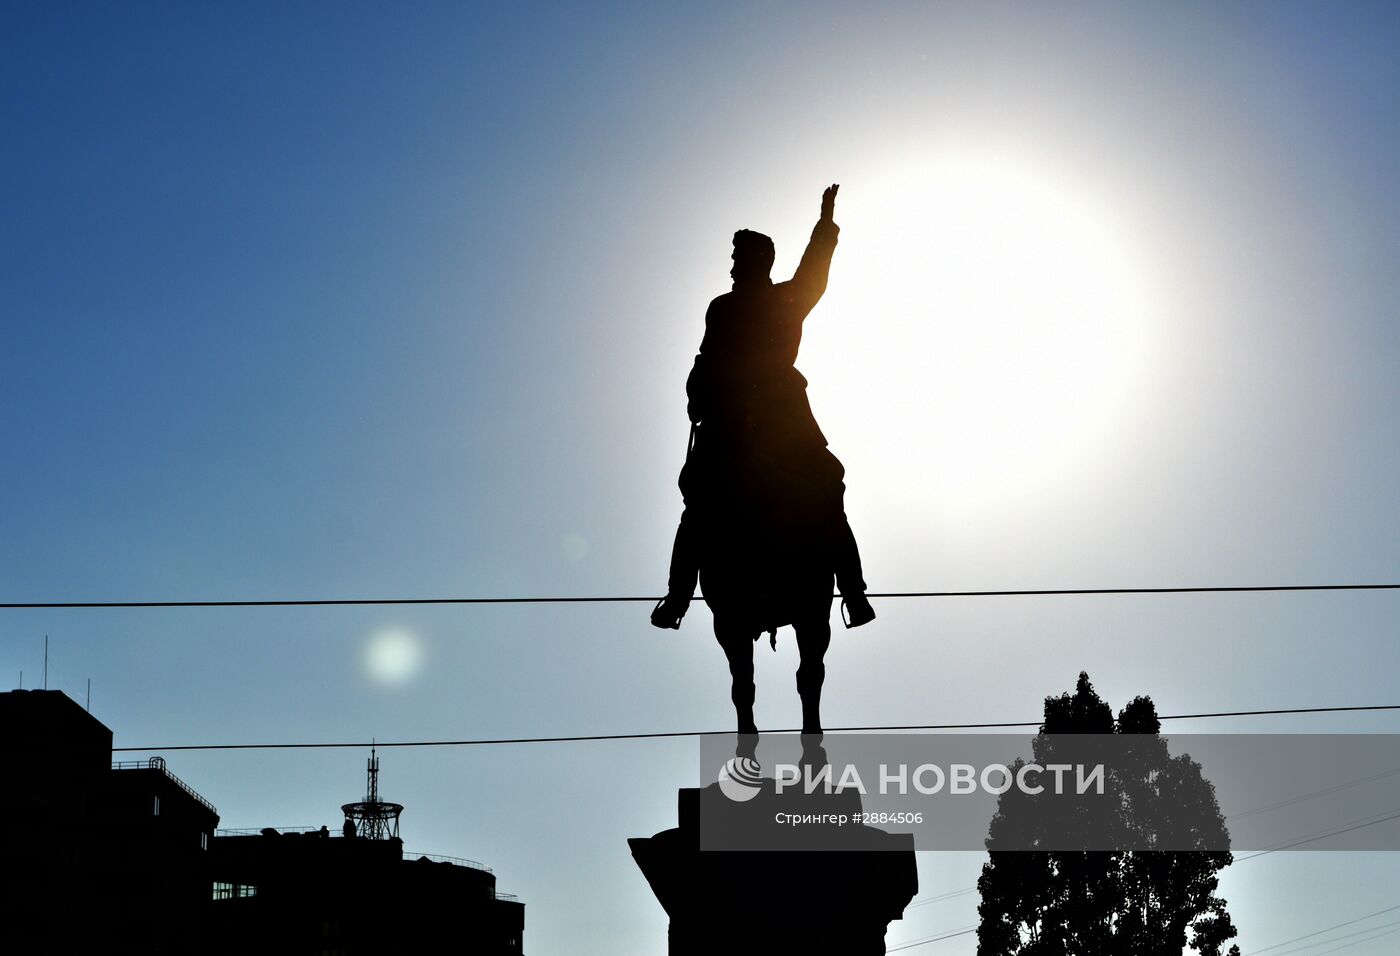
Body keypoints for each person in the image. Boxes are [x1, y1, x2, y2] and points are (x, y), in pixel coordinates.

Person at [652, 184, 874, 633]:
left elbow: (815, 272)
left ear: (759, 263)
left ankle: (852, 590)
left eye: (739, 260)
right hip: (728, 424)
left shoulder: (785, 300)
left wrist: (826, 224)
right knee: (698, 499)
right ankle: (678, 595)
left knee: (829, 484)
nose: (732, 267)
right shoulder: (721, 308)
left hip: (785, 423)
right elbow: (705, 359)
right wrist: (697, 390)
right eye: (732, 261)